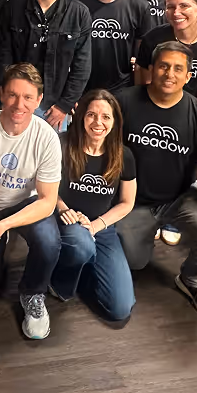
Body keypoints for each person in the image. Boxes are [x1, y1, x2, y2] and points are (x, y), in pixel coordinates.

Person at [115, 42, 197, 327]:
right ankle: (142, 239)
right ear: (151, 70)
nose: (170, 74)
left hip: (179, 197)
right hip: (133, 202)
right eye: (164, 66)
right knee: (135, 262)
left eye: (178, 68)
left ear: (189, 76)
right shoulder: (123, 102)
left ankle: (194, 282)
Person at [0, 63, 62, 340]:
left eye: (28, 97)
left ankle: (33, 293)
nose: (19, 104)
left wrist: (3, 226)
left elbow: (47, 201)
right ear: (2, 94)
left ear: (39, 100)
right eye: (13, 95)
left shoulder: (47, 138)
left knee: (49, 241)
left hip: (24, 206)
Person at [50, 90, 137, 321]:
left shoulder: (123, 155)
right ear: (80, 116)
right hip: (65, 221)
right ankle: (60, 281)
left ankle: (85, 267)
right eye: (91, 115)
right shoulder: (62, 144)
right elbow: (44, 188)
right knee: (80, 244)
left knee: (120, 309)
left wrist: (97, 225)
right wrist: (62, 208)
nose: (98, 123)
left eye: (106, 117)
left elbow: (127, 203)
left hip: (101, 227)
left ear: (115, 121)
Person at [0, 0, 91, 132]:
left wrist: (64, 105)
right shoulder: (12, 9)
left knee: (50, 160)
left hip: (54, 109)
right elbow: (2, 58)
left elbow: (82, 66)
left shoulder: (78, 13)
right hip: (18, 104)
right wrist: (11, 98)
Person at [80, 0, 149, 95]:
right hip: (83, 90)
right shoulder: (77, 5)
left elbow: (141, 61)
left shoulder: (139, 6)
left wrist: (136, 96)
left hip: (123, 91)